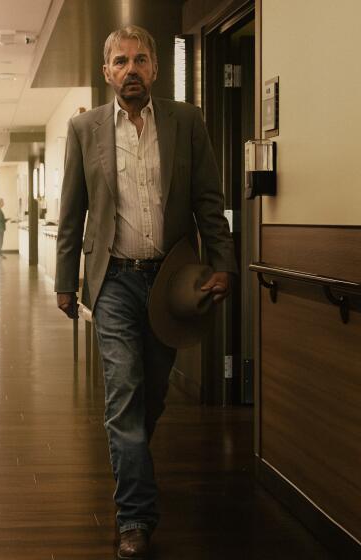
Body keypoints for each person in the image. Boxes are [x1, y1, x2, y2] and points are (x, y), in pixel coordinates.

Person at [54, 24, 236, 559]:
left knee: (151, 394)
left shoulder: (187, 122)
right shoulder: (84, 129)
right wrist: (66, 282)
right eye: (120, 62)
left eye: (139, 60)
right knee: (124, 393)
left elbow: (209, 198)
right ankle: (134, 516)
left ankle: (134, 466)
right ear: (106, 72)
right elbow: (72, 212)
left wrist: (221, 261)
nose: (130, 70)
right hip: (113, 279)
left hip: (170, 283)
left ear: (155, 69)